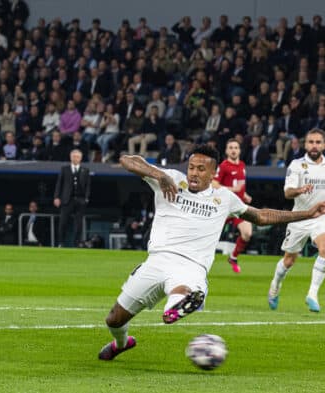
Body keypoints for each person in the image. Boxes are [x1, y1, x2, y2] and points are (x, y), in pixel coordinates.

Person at [98, 144, 325, 361]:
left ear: (213, 173)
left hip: (192, 267)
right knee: (114, 320)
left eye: (201, 169)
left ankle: (178, 305)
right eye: (191, 167)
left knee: (182, 290)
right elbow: (128, 160)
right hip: (157, 261)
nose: (194, 173)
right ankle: (122, 343)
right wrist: (159, 175)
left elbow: (262, 216)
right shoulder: (173, 180)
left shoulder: (224, 199)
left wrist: (307, 213)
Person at [268, 129, 325, 313]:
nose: (314, 145)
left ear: (323, 145)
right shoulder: (297, 165)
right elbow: (287, 192)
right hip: (300, 217)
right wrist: (300, 190)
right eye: (311, 142)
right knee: (289, 260)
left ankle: (312, 294)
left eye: (318, 142)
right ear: (305, 144)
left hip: (320, 217)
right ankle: (275, 285)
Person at [212, 139, 253, 273]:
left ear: (239, 150)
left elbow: (240, 185)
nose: (233, 150)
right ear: (226, 151)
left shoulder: (242, 165)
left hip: (238, 206)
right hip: (224, 208)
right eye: (231, 148)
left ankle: (233, 257)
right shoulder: (223, 166)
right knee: (210, 234)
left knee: (247, 233)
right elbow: (214, 184)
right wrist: (233, 189)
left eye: (236, 147)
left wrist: (244, 194)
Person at [54, 149, 91, 247]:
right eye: (74, 156)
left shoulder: (85, 170)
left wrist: (86, 198)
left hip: (80, 200)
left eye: (77, 157)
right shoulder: (64, 169)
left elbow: (88, 186)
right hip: (67, 200)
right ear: (70, 157)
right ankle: (61, 242)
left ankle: (77, 243)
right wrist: (57, 197)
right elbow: (59, 184)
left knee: (78, 224)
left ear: (81, 158)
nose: (75, 158)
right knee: (63, 222)